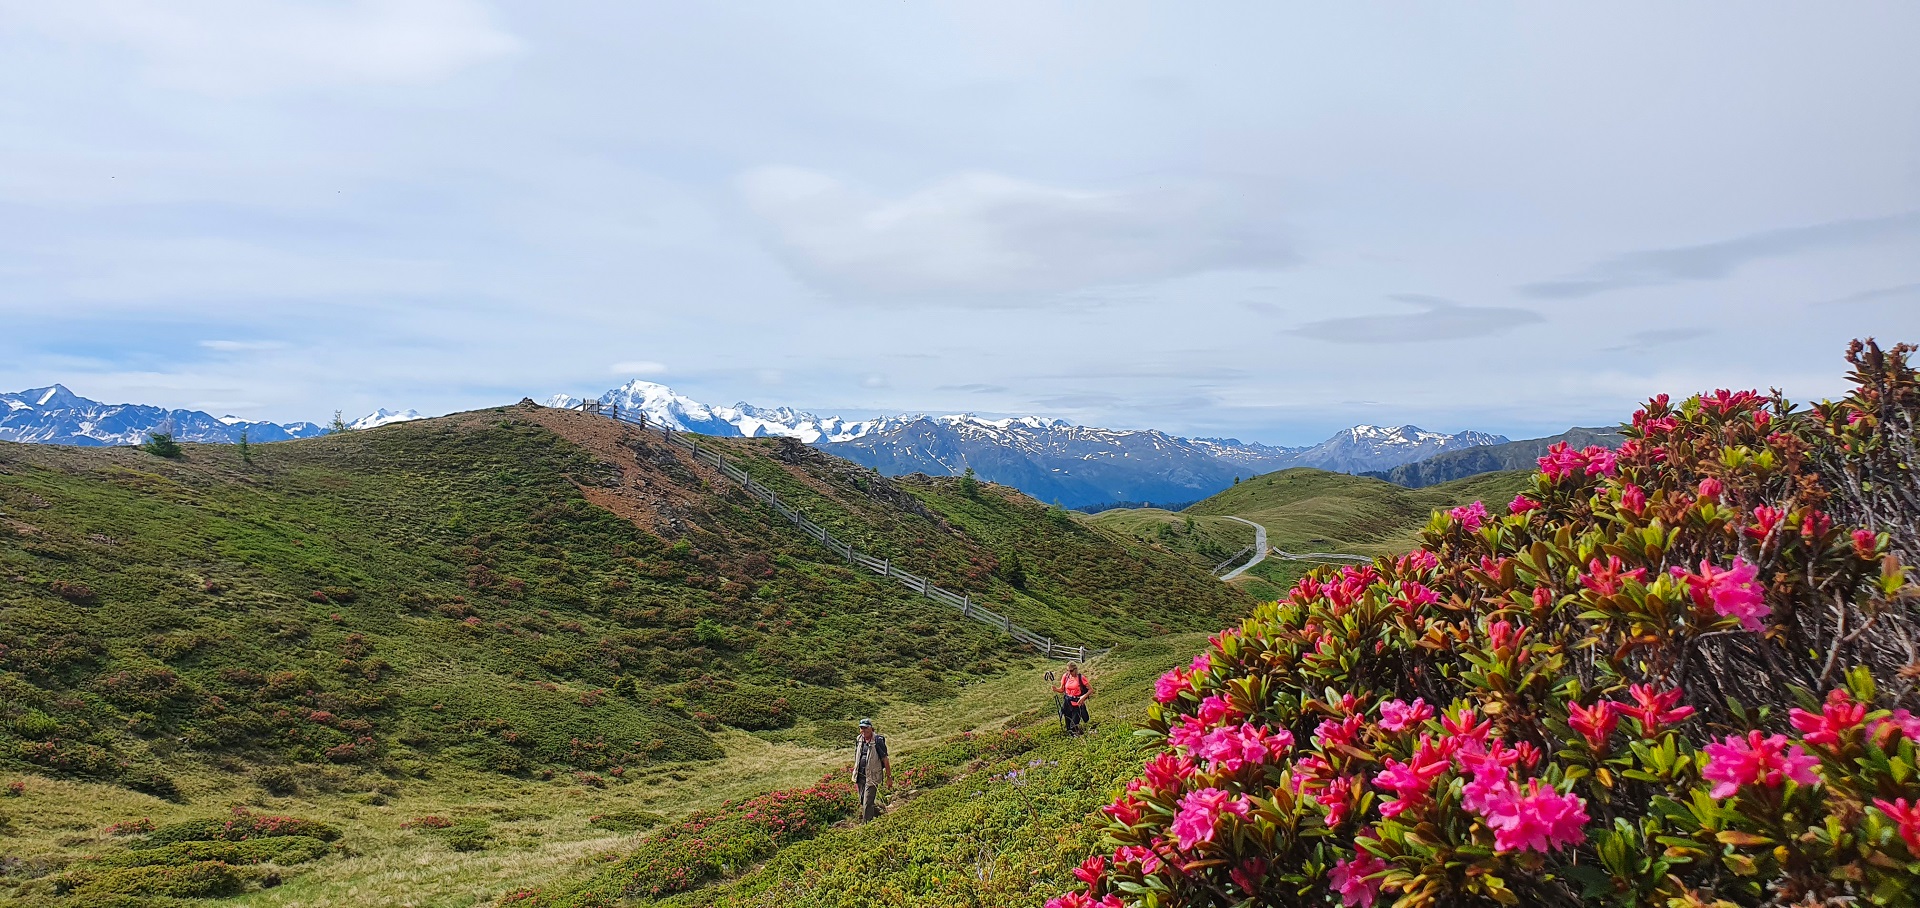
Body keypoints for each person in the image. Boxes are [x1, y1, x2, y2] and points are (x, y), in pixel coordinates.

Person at [852, 718, 891, 822]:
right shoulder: (859, 739)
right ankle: (878, 812)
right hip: (860, 776)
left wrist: (889, 778)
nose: (863, 730)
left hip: (872, 776)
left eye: (866, 728)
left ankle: (866, 824)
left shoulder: (878, 740)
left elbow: (885, 759)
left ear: (871, 728)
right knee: (862, 800)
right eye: (861, 728)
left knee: (867, 802)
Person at [1055, 663, 1091, 735]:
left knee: (1073, 724)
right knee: (1068, 724)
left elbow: (1091, 690)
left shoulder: (1081, 678)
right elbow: (1062, 689)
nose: (1069, 672)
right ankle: (1073, 737)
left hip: (1077, 703)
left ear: (1075, 669)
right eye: (1067, 670)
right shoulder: (1066, 676)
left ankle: (1078, 736)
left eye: (1071, 671)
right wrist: (1055, 689)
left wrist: (1083, 697)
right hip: (1067, 703)